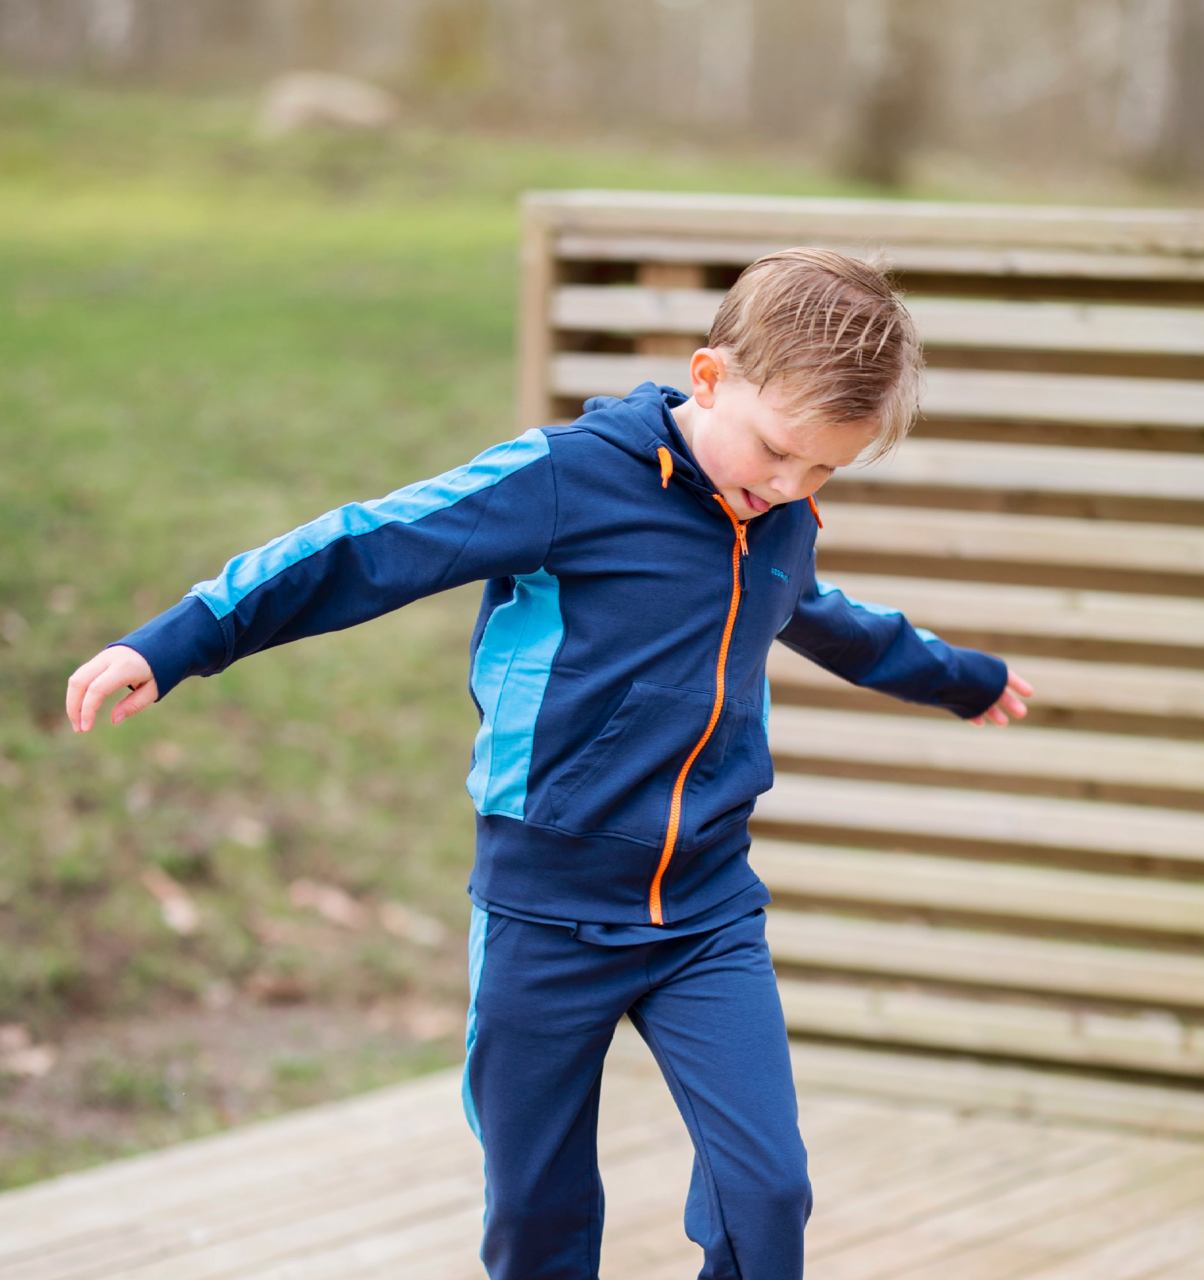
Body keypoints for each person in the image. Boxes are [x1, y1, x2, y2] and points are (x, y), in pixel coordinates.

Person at [66, 247, 1032, 1280]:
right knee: (538, 1218)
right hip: (543, 910)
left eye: (824, 471)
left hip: (704, 912)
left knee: (767, 1195)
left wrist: (956, 676)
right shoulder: (565, 479)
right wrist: (181, 637)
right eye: (777, 452)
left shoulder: (777, 517)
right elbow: (369, 544)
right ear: (708, 379)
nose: (789, 488)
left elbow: (829, 617)